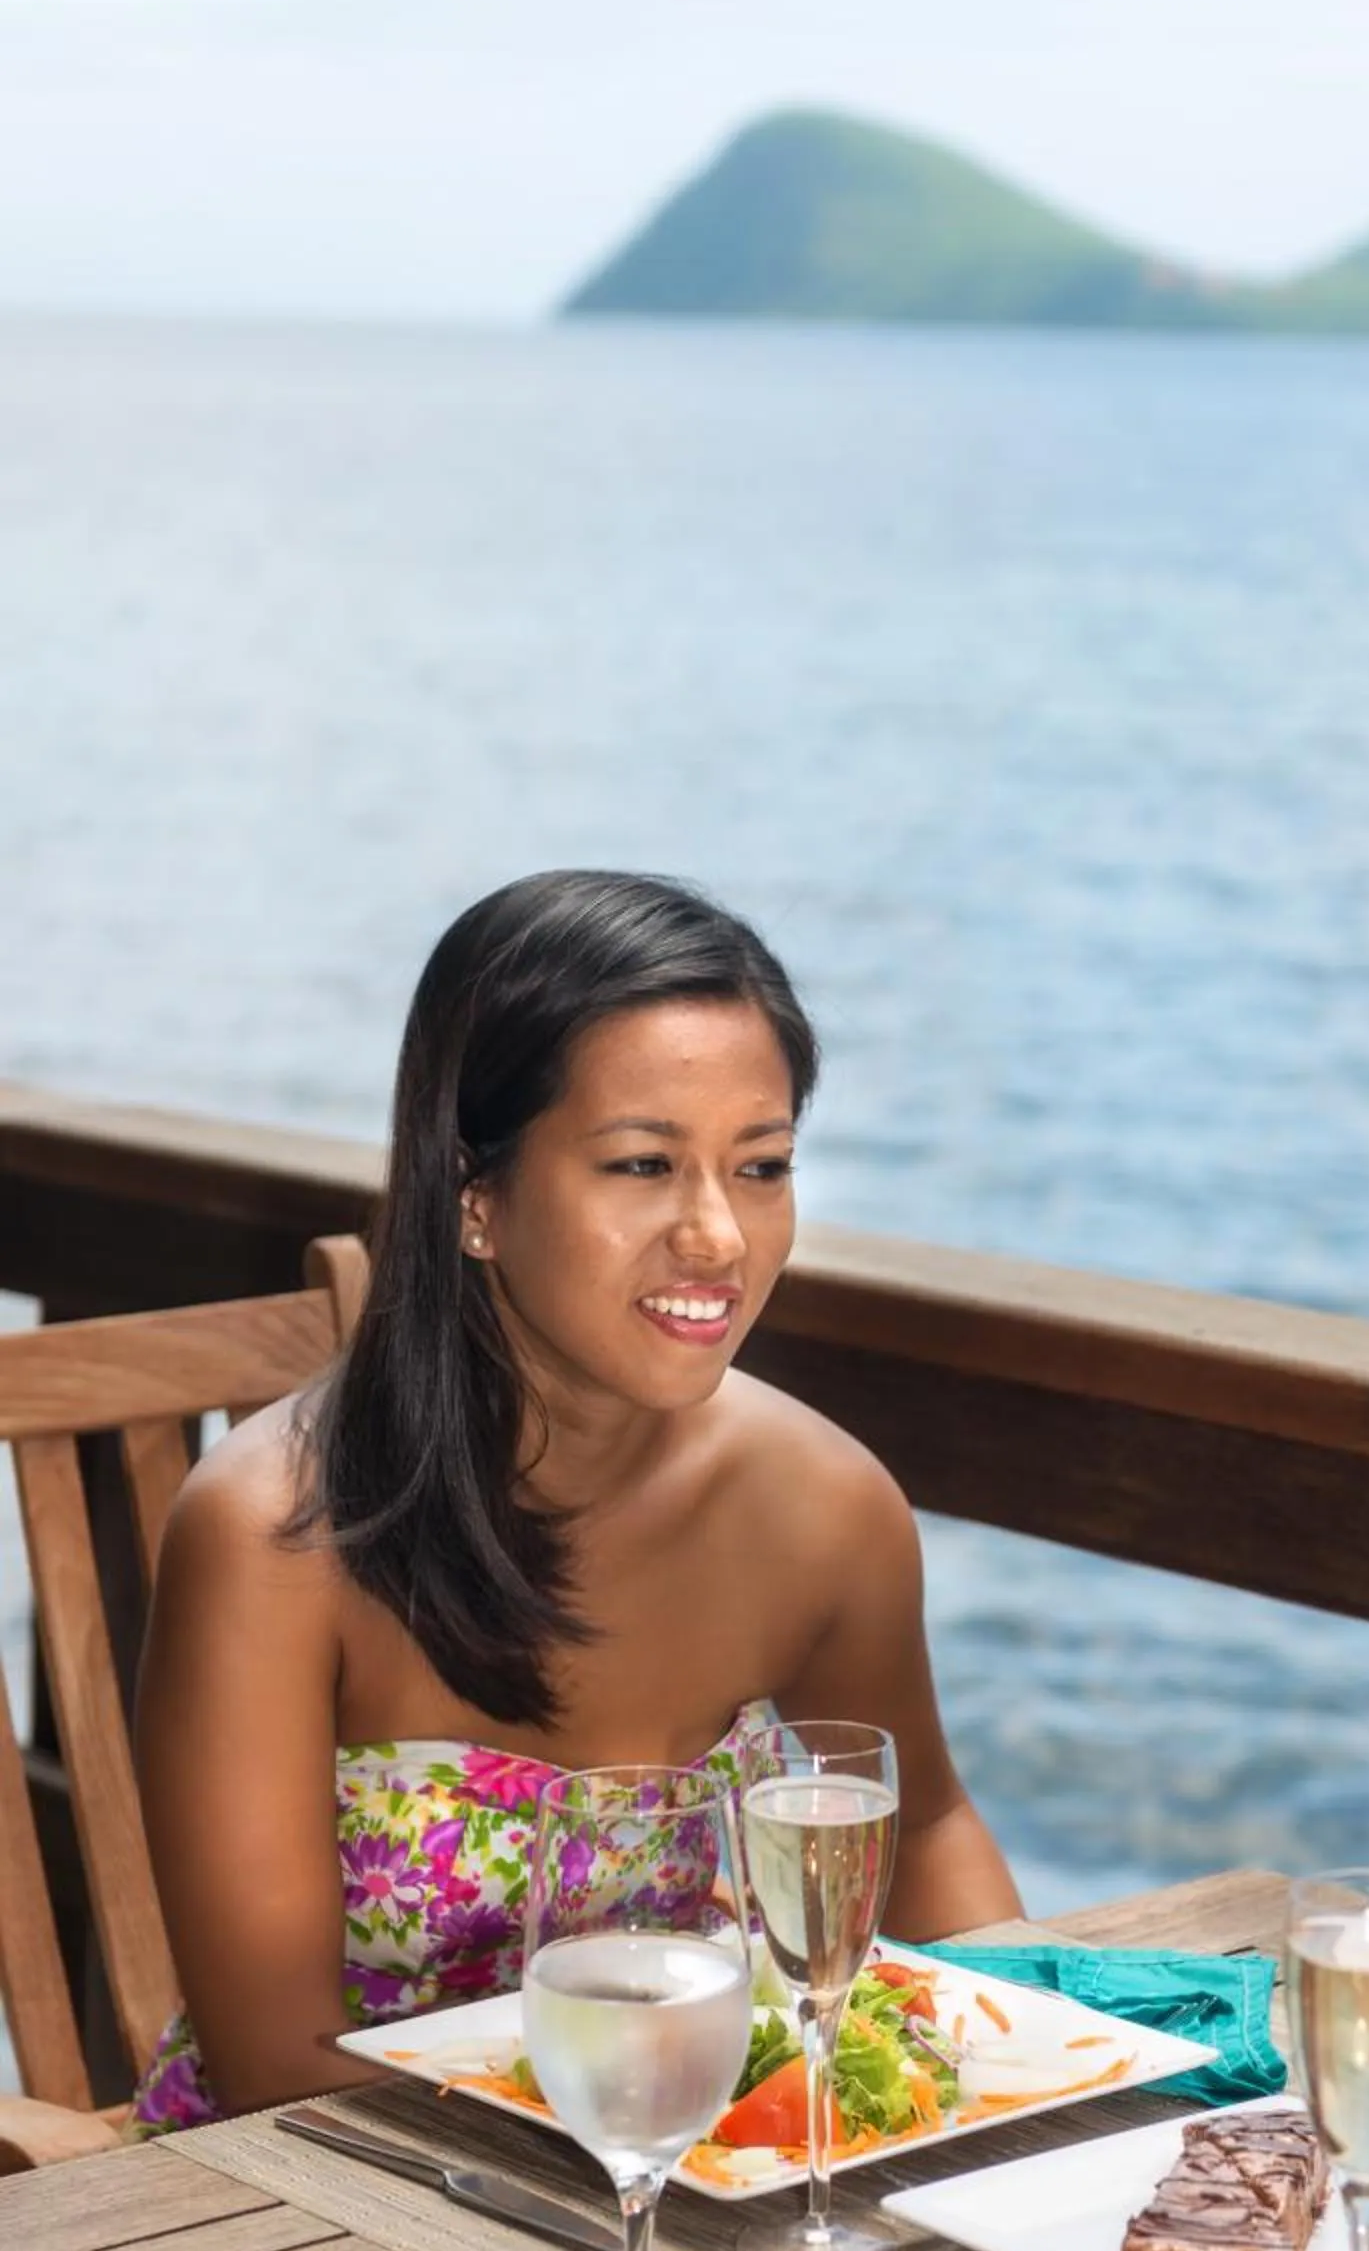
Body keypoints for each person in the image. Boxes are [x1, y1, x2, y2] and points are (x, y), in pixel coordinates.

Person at [131, 870, 1020, 2129]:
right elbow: (275, 2068)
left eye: (760, 1167)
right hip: (319, 2201)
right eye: (644, 1163)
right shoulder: (275, 1538)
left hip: (701, 2180)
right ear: (473, 1196)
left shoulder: (823, 1508)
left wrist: (1029, 2073)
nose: (717, 1235)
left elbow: (924, 1830)